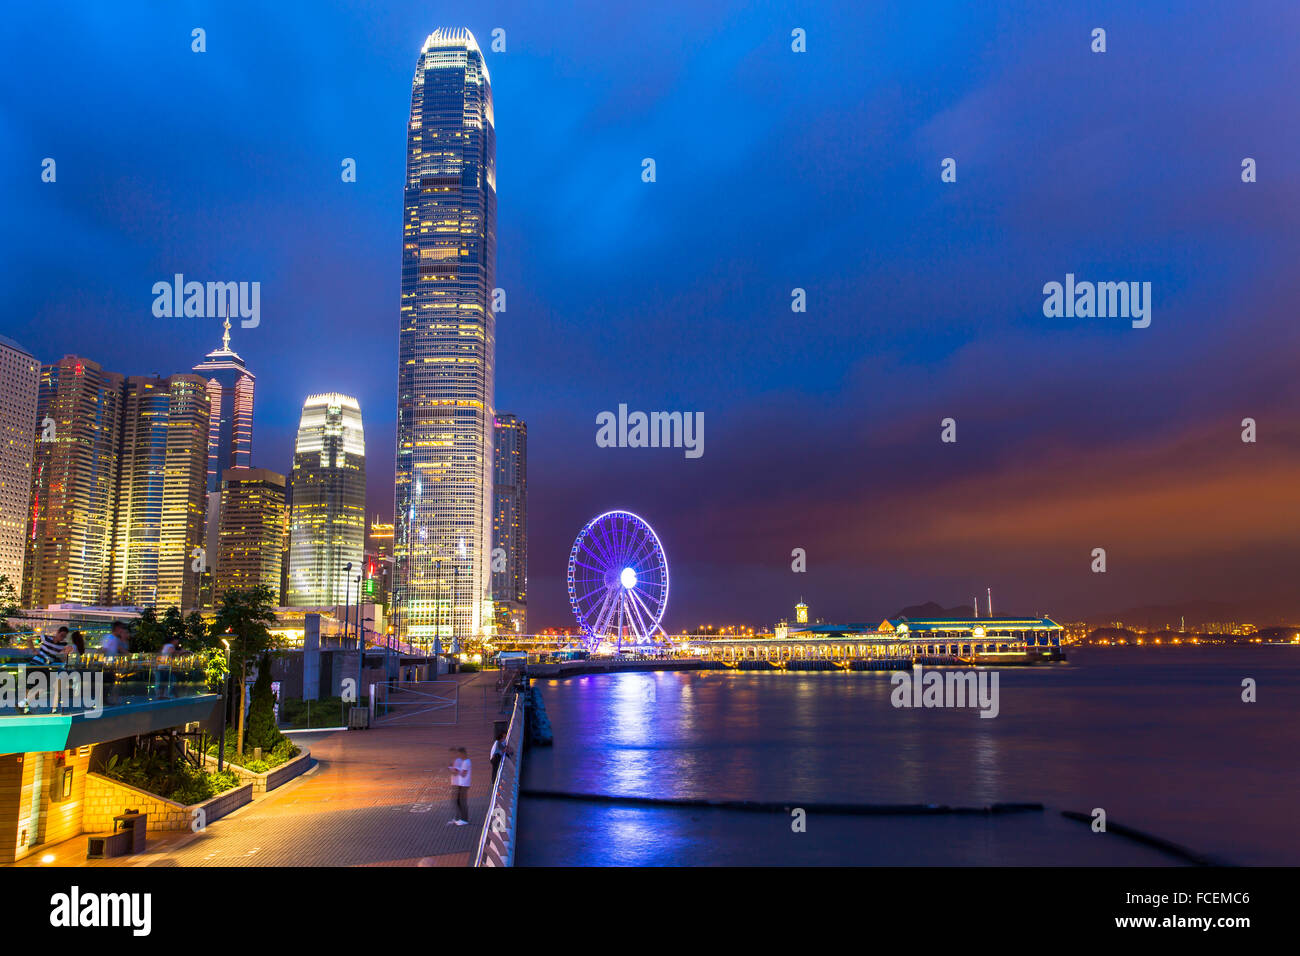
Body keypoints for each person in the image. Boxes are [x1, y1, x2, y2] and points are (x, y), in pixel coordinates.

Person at [447, 747, 471, 826]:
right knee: (460, 802)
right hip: (462, 784)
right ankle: (461, 818)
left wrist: (456, 770)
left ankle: (464, 819)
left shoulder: (465, 762)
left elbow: (463, 774)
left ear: (463, 753)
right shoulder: (465, 761)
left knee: (462, 802)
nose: (459, 755)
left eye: (460, 754)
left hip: (464, 784)